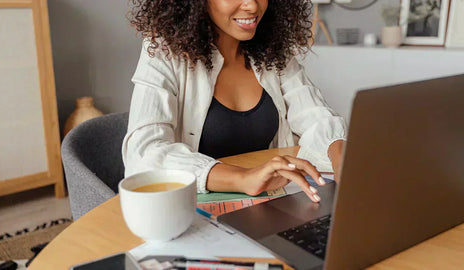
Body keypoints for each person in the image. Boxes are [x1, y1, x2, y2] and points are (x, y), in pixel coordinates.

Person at [123, 0, 347, 203]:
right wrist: (243, 179)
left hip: (269, 205)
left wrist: (341, 155)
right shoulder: (164, 51)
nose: (252, 6)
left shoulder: (274, 50)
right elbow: (144, 152)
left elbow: (315, 115)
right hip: (191, 212)